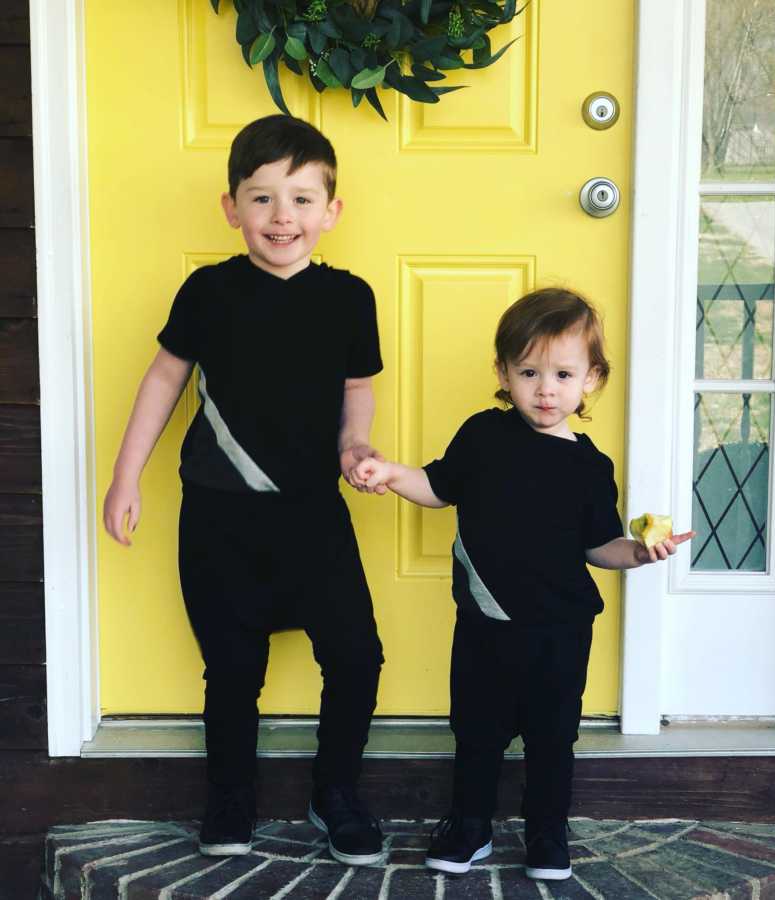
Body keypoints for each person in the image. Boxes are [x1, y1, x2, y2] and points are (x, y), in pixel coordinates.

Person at [102, 114, 387, 865]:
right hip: (219, 517)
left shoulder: (349, 298)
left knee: (356, 655)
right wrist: (125, 476)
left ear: (332, 211)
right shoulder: (208, 292)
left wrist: (354, 445)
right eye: (261, 199)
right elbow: (165, 377)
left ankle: (337, 794)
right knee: (231, 667)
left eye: (300, 199)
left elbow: (358, 386)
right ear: (231, 207)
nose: (281, 217)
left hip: (313, 514)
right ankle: (231, 798)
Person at [352, 288, 694, 881]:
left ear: (591, 380)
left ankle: (546, 834)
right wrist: (388, 473)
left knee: (552, 738)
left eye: (562, 374)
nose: (545, 389)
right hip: (485, 624)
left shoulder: (590, 466)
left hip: (561, 631)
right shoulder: (484, 435)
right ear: (503, 373)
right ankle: (470, 827)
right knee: (477, 732)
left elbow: (598, 547)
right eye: (529, 372)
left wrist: (638, 552)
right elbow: (437, 486)